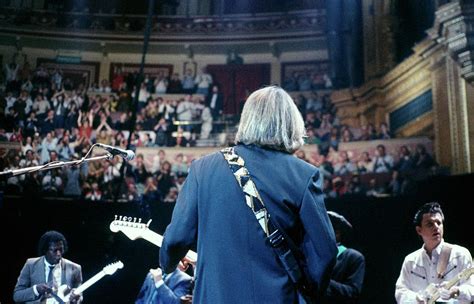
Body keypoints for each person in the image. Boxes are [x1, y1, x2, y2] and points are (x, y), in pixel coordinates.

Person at [160, 85, 337, 303]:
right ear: (291, 124)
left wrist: (168, 263)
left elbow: (176, 239)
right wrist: (306, 294)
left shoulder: (203, 169)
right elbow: (325, 252)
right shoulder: (304, 175)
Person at [395, 202, 474, 303]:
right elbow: (400, 292)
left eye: (439, 223)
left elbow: (472, 288)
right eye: (430, 224)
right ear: (419, 230)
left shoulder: (460, 254)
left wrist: (457, 291)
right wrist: (417, 298)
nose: (436, 227)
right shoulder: (410, 260)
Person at [13, 230, 83, 303]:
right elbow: (17, 295)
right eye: (55, 250)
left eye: (61, 249)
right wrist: (36, 289)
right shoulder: (30, 265)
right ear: (45, 250)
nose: (59, 254)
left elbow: (79, 297)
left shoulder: (75, 268)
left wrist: (77, 299)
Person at [323, 211, 365, 304]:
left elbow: (353, 292)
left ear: (337, 233)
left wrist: (324, 283)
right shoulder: (312, 255)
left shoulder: (353, 257)